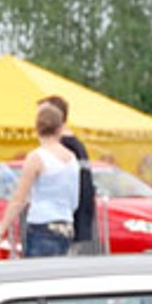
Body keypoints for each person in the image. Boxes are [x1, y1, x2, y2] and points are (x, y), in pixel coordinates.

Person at [0, 102, 80, 258]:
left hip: (42, 224)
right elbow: (74, 200)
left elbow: (19, 198)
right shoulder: (72, 158)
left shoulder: (36, 158)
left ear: (37, 129)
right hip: (66, 224)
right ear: (60, 129)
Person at [36, 94, 98, 254]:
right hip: (72, 221)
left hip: (62, 222)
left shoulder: (64, 148)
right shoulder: (76, 146)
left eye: (42, 115)